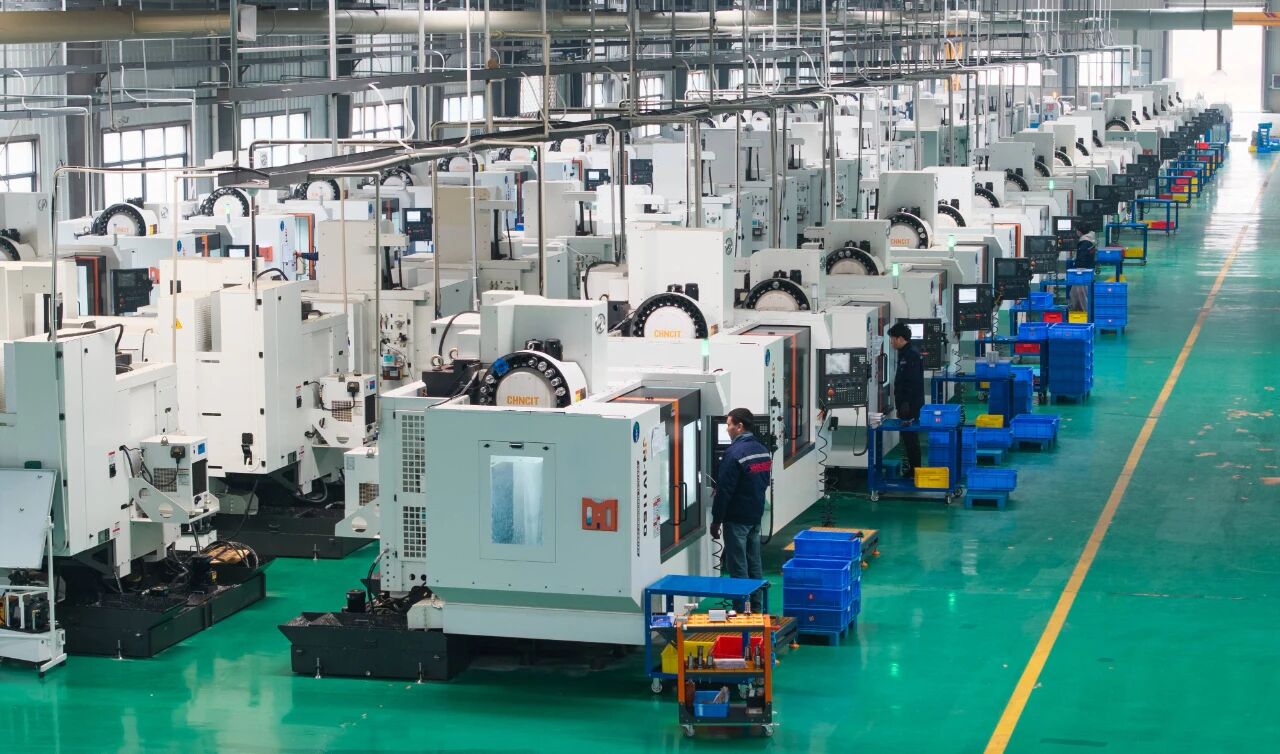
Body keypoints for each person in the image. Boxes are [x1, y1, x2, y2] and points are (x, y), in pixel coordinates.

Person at [710, 408, 772, 613]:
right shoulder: (762, 450)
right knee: (754, 562)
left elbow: (724, 491)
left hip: (736, 518)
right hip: (755, 515)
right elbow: (763, 482)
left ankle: (743, 612)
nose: (727, 429)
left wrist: (716, 520)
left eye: (729, 424)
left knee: (738, 567)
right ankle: (757, 608)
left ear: (739, 426)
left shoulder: (734, 453)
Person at [888, 322, 925, 476]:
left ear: (900, 338)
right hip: (905, 404)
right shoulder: (905, 354)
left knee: (911, 438)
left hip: (911, 405)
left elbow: (912, 383)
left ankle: (915, 471)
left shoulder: (911, 355)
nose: (891, 342)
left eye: (892, 339)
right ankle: (912, 469)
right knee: (908, 437)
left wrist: (905, 404)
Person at [1069, 232, 1098, 312]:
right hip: (1088, 271)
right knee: (1081, 293)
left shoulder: (1084, 242)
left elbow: (1081, 260)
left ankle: (1083, 313)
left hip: (1082, 272)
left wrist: (1076, 268)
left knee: (1078, 294)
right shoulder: (1091, 238)